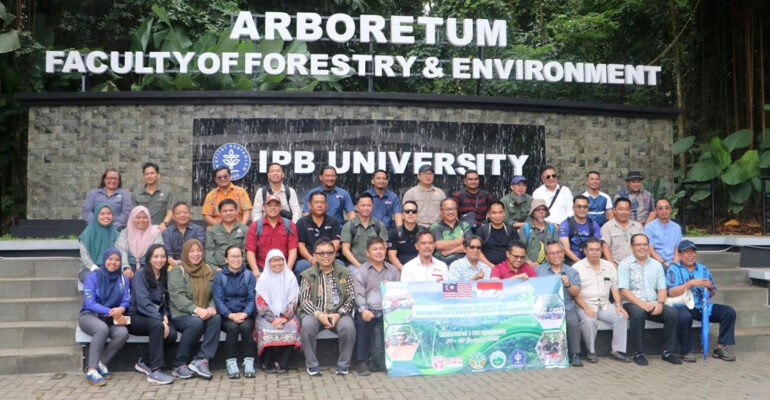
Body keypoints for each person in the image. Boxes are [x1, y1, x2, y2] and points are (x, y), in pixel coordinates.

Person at [666, 240, 736, 362]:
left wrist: (710, 287)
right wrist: (690, 284)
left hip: (701, 305)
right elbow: (671, 292)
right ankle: (686, 351)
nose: (690, 255)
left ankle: (721, 347)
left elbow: (712, 292)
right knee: (684, 317)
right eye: (686, 252)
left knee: (729, 312)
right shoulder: (673, 269)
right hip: (682, 305)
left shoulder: (703, 269)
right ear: (680, 254)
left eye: (693, 252)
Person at [618, 233, 682, 366]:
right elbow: (623, 290)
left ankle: (668, 352)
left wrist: (660, 303)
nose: (642, 247)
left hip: (653, 302)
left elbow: (662, 289)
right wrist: (641, 304)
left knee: (672, 313)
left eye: (645, 244)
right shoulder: (624, 264)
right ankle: (639, 353)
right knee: (637, 313)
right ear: (632, 247)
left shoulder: (657, 265)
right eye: (638, 244)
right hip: (632, 303)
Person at [298, 238, 356, 376]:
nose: (326, 256)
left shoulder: (344, 273)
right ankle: (312, 364)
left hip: (338, 314)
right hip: (315, 314)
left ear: (335, 254)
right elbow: (304, 300)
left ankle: (343, 365)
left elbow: (350, 297)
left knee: (348, 327)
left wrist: (339, 314)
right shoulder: (308, 274)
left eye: (330, 252)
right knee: (306, 326)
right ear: (315, 255)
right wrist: (320, 315)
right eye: (322, 253)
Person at [168, 239, 221, 380]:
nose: (196, 254)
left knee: (216, 319)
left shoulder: (209, 270)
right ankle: (179, 364)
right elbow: (177, 296)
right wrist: (197, 310)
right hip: (181, 314)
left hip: (204, 311)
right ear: (185, 253)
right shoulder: (178, 271)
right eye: (191, 251)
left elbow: (216, 292)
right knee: (196, 322)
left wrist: (211, 306)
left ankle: (201, 359)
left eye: (198, 250)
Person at [78, 248, 130, 386]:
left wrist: (122, 308)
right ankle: (91, 370)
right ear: (104, 260)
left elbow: (126, 300)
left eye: (117, 260)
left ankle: (101, 364)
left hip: (109, 319)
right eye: (110, 259)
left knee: (123, 333)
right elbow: (90, 303)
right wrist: (111, 311)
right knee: (101, 329)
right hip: (89, 316)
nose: (113, 262)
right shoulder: (93, 276)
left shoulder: (123, 279)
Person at [573, 238, 630, 363]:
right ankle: (591, 352)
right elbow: (575, 293)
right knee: (589, 321)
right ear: (585, 251)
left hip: (604, 304)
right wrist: (586, 307)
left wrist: (619, 305)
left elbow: (615, 287)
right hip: (584, 304)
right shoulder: (577, 268)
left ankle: (616, 351)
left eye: (597, 249)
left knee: (621, 316)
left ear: (601, 251)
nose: (594, 252)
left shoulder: (608, 266)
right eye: (591, 250)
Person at [128, 244, 176, 385]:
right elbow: (143, 304)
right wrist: (161, 319)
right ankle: (155, 371)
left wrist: (166, 316)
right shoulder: (140, 274)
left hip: (154, 316)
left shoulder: (164, 275)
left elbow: (165, 301)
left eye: (162, 256)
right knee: (157, 326)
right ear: (149, 258)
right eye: (155, 256)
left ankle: (145, 362)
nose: (159, 260)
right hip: (134, 316)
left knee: (171, 334)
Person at [353, 237, 400, 375]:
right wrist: (364, 310)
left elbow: (399, 292)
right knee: (361, 323)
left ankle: (394, 361)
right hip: (369, 309)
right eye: (375, 249)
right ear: (368, 253)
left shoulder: (393, 270)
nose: (379, 252)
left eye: (381, 249)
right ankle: (362, 362)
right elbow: (358, 294)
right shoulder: (361, 271)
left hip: (389, 310)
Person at [535, 242, 584, 367]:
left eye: (558, 252)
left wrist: (568, 284)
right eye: (552, 253)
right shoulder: (538, 271)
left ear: (563, 254)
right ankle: (539, 355)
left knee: (573, 322)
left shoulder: (572, 272)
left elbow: (576, 292)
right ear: (546, 255)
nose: (556, 255)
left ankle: (575, 354)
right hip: (544, 307)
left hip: (566, 306)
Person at [213, 245, 258, 379]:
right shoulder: (220, 277)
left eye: (238, 256)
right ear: (226, 259)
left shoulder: (248, 275)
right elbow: (218, 300)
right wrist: (230, 315)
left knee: (245, 327)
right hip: (227, 315)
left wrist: (245, 313)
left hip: (246, 314)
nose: (236, 259)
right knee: (232, 328)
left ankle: (249, 362)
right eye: (233, 256)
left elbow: (252, 298)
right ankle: (231, 363)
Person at [255, 249, 301, 374]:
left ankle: (282, 362)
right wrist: (273, 319)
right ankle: (267, 361)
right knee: (266, 329)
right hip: (266, 316)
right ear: (268, 263)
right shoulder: (263, 278)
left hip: (286, 315)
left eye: (280, 260)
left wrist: (285, 317)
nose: (277, 263)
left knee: (293, 326)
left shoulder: (290, 276)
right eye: (274, 260)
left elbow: (294, 299)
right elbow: (260, 302)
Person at [246, 194, 298, 278]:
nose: (273, 208)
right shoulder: (255, 226)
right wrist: (255, 270)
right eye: (269, 205)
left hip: (283, 265)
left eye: (276, 205)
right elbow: (250, 251)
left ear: (281, 207)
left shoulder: (290, 225)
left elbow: (292, 249)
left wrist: (288, 269)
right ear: (263, 207)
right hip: (262, 266)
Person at [295, 192, 342, 280]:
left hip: (330, 257)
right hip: (308, 259)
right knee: (300, 266)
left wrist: (327, 257)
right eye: (316, 202)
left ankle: (336, 293)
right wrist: (311, 259)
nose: (320, 205)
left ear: (326, 205)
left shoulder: (333, 222)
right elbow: (300, 245)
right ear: (309, 205)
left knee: (340, 266)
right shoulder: (302, 222)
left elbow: (336, 242)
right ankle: (304, 293)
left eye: (322, 202)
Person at [340, 192, 389, 276]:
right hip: (355, 265)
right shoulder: (349, 226)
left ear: (372, 207)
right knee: (356, 275)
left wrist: (375, 266)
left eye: (369, 205)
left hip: (376, 264)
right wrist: (360, 267)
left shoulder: (379, 225)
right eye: (363, 205)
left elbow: (384, 247)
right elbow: (345, 250)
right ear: (356, 207)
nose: (366, 208)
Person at [115, 206, 163, 279]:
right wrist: (126, 268)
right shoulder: (125, 233)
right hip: (128, 268)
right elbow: (121, 251)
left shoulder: (155, 233)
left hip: (150, 268)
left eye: (144, 217)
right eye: (138, 217)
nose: (141, 220)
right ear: (132, 218)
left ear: (149, 218)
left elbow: (157, 252)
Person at [78, 202, 119, 283]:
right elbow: (84, 255)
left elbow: (119, 254)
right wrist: (95, 268)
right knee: (94, 279)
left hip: (112, 268)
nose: (106, 216)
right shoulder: (88, 233)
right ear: (96, 215)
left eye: (108, 213)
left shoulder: (116, 234)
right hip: (89, 269)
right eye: (102, 214)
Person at [205, 199, 248, 269]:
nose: (228, 213)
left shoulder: (245, 230)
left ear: (236, 211)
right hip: (219, 269)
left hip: (240, 268)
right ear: (220, 213)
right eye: (224, 211)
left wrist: (238, 266)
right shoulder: (212, 231)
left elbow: (246, 251)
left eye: (231, 210)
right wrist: (215, 268)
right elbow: (209, 252)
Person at [559, 195, 602, 265]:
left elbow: (598, 246)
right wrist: (581, 264)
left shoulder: (594, 224)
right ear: (573, 208)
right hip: (572, 261)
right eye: (579, 207)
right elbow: (565, 249)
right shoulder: (565, 225)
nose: (582, 209)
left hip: (592, 260)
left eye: (585, 207)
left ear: (588, 208)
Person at [601, 197, 644, 266]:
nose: (624, 212)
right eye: (620, 209)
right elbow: (605, 247)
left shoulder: (637, 226)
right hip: (616, 264)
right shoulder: (607, 227)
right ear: (614, 210)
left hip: (636, 264)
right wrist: (612, 264)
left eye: (627, 209)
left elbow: (644, 246)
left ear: (630, 211)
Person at [131, 162, 176, 229]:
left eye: (152, 173)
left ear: (158, 175)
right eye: (146, 174)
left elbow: (170, 212)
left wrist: (164, 223)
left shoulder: (167, 191)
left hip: (161, 228)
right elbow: (133, 214)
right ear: (144, 177)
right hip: (142, 229)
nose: (149, 176)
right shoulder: (136, 193)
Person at [430, 198, 473, 265]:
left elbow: (469, 245)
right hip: (443, 265)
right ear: (441, 212)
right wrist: (458, 241)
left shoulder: (464, 225)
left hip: (464, 264)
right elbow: (439, 245)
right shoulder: (435, 227)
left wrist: (448, 251)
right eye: (447, 209)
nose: (450, 212)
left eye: (453, 209)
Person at [517, 199, 559, 267]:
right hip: (529, 267)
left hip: (550, 266)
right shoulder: (525, 229)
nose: (541, 212)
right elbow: (520, 250)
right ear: (532, 212)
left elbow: (558, 247)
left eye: (543, 209)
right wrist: (529, 262)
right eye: (538, 210)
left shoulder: (551, 228)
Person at [477, 201, 520, 266]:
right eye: (494, 213)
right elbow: (476, 251)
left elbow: (516, 251)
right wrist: (491, 266)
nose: (497, 216)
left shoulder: (511, 230)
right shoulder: (483, 230)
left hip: (508, 267)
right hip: (486, 267)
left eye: (500, 212)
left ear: (504, 213)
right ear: (488, 214)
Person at [162, 202, 206, 266]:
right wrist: (173, 262)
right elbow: (168, 254)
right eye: (178, 213)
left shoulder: (198, 230)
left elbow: (200, 250)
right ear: (173, 217)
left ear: (190, 214)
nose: (182, 215)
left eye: (185, 212)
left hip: (195, 263)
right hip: (174, 265)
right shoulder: (167, 232)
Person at [645, 198, 681, 268]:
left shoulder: (677, 227)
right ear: (656, 210)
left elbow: (677, 250)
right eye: (660, 208)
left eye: (666, 208)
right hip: (656, 263)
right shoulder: (649, 227)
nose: (664, 211)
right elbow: (651, 250)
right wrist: (663, 263)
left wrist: (674, 264)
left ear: (670, 210)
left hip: (674, 263)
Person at [387, 200, 420, 271]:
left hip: (421, 269)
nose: (410, 213)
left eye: (414, 211)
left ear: (417, 214)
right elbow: (391, 257)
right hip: (400, 270)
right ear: (402, 215)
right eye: (407, 211)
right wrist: (405, 271)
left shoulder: (423, 232)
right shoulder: (394, 233)